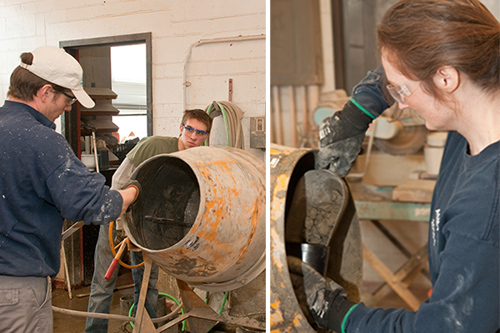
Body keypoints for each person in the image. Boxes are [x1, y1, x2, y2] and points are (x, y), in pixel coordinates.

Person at [307, 1, 500, 332]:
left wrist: (341, 315)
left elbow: (443, 328)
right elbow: (404, 64)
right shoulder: (470, 114)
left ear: (446, 78)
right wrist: (357, 113)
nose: (401, 102)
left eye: (403, 89)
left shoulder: (485, 205)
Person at [0, 46, 139, 332]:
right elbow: (95, 204)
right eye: (68, 98)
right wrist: (133, 191)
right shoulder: (41, 141)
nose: (69, 107)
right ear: (45, 92)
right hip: (15, 289)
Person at [85, 109, 213, 332]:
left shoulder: (198, 161)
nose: (194, 137)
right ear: (181, 128)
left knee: (146, 284)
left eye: (201, 133)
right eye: (190, 130)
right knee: (103, 283)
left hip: (148, 228)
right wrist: (124, 225)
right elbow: (119, 180)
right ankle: (95, 329)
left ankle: (146, 327)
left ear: (206, 136)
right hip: (119, 219)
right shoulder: (154, 146)